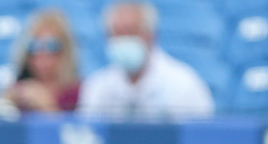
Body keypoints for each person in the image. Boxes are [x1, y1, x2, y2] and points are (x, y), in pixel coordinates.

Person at [77, 0, 213, 120]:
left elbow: (199, 138)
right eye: (117, 33)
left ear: (151, 34)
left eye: (131, 32)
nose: (124, 40)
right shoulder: (97, 86)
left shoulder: (184, 85)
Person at [0, 8, 82, 115]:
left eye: (51, 45)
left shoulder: (80, 93)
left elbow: (78, 130)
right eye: (34, 45)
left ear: (65, 50)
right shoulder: (17, 92)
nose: (42, 53)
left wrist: (46, 106)